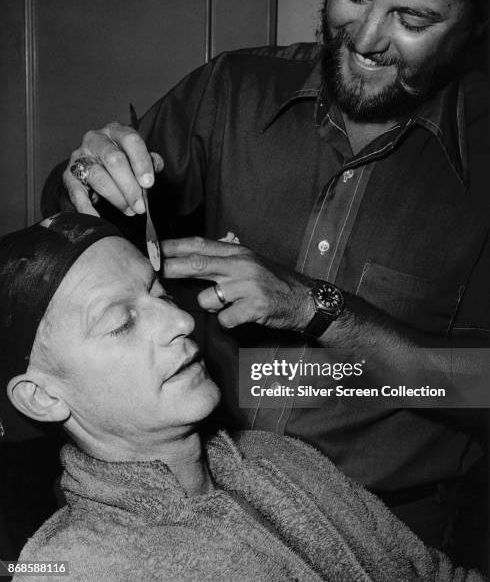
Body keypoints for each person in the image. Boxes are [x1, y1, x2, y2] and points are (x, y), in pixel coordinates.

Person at [43, 0, 489, 562]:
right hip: (194, 490)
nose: (366, 37)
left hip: (394, 526)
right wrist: (83, 177)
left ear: (475, 26)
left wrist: (314, 308)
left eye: (412, 21)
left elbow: (477, 385)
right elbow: (67, 223)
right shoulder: (229, 89)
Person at [1, 212, 484, 582]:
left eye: (162, 295)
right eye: (121, 322)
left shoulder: (282, 456)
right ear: (42, 398)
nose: (182, 322)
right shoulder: (77, 568)